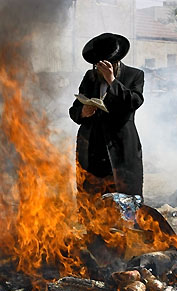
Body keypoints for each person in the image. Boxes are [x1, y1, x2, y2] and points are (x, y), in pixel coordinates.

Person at [69, 33, 144, 209]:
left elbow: (134, 102)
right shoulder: (90, 77)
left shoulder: (134, 75)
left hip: (121, 146)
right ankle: (94, 231)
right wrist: (83, 112)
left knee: (124, 194)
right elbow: (73, 110)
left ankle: (126, 228)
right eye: (98, 65)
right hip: (92, 147)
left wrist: (112, 80)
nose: (100, 69)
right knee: (93, 195)